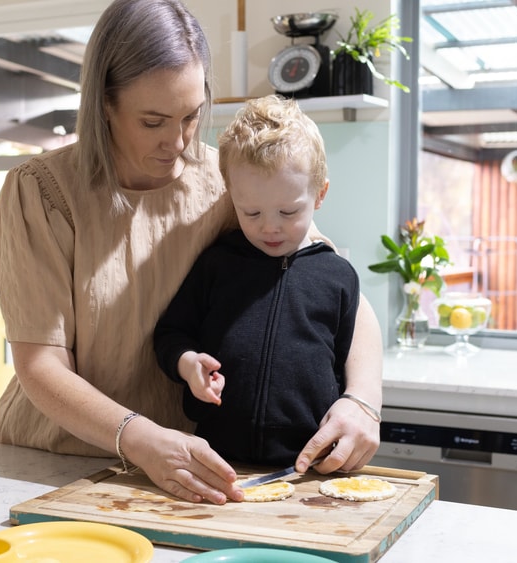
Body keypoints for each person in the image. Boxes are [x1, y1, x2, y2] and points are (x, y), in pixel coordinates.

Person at [0, 0, 383, 505]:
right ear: (104, 104)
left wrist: (362, 402)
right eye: (152, 121)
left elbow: (336, 285)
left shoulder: (225, 182)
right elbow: (40, 365)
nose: (176, 142)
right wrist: (139, 437)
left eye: (191, 116)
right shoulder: (42, 191)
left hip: (183, 471)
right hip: (53, 462)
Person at [154, 95, 377, 467]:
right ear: (231, 195)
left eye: (288, 211)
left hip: (312, 466)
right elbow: (170, 333)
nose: (269, 226)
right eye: (251, 211)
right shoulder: (217, 264)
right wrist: (187, 361)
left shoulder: (338, 276)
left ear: (320, 194)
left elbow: (348, 361)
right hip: (218, 462)